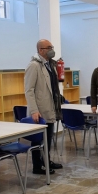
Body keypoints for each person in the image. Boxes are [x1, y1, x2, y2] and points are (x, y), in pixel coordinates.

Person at [24, 39, 63, 174]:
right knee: (38, 140)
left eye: (52, 46)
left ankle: (46, 161)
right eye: (49, 47)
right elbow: (29, 90)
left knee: (48, 138)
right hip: (39, 110)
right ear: (41, 50)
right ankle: (37, 166)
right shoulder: (34, 66)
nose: (52, 49)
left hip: (50, 107)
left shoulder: (50, 65)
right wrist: (34, 110)